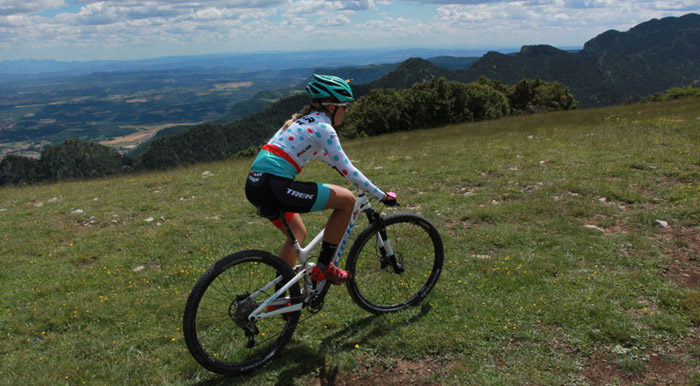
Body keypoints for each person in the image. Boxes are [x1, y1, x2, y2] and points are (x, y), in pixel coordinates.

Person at [245, 74, 396, 284]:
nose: (347, 110)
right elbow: (348, 170)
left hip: (255, 184)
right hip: (274, 185)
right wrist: (381, 196)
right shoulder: (324, 128)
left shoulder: (300, 121)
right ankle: (325, 267)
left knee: (298, 232)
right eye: (344, 105)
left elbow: (328, 158)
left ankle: (280, 298)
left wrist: (343, 170)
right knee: (347, 200)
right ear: (332, 106)